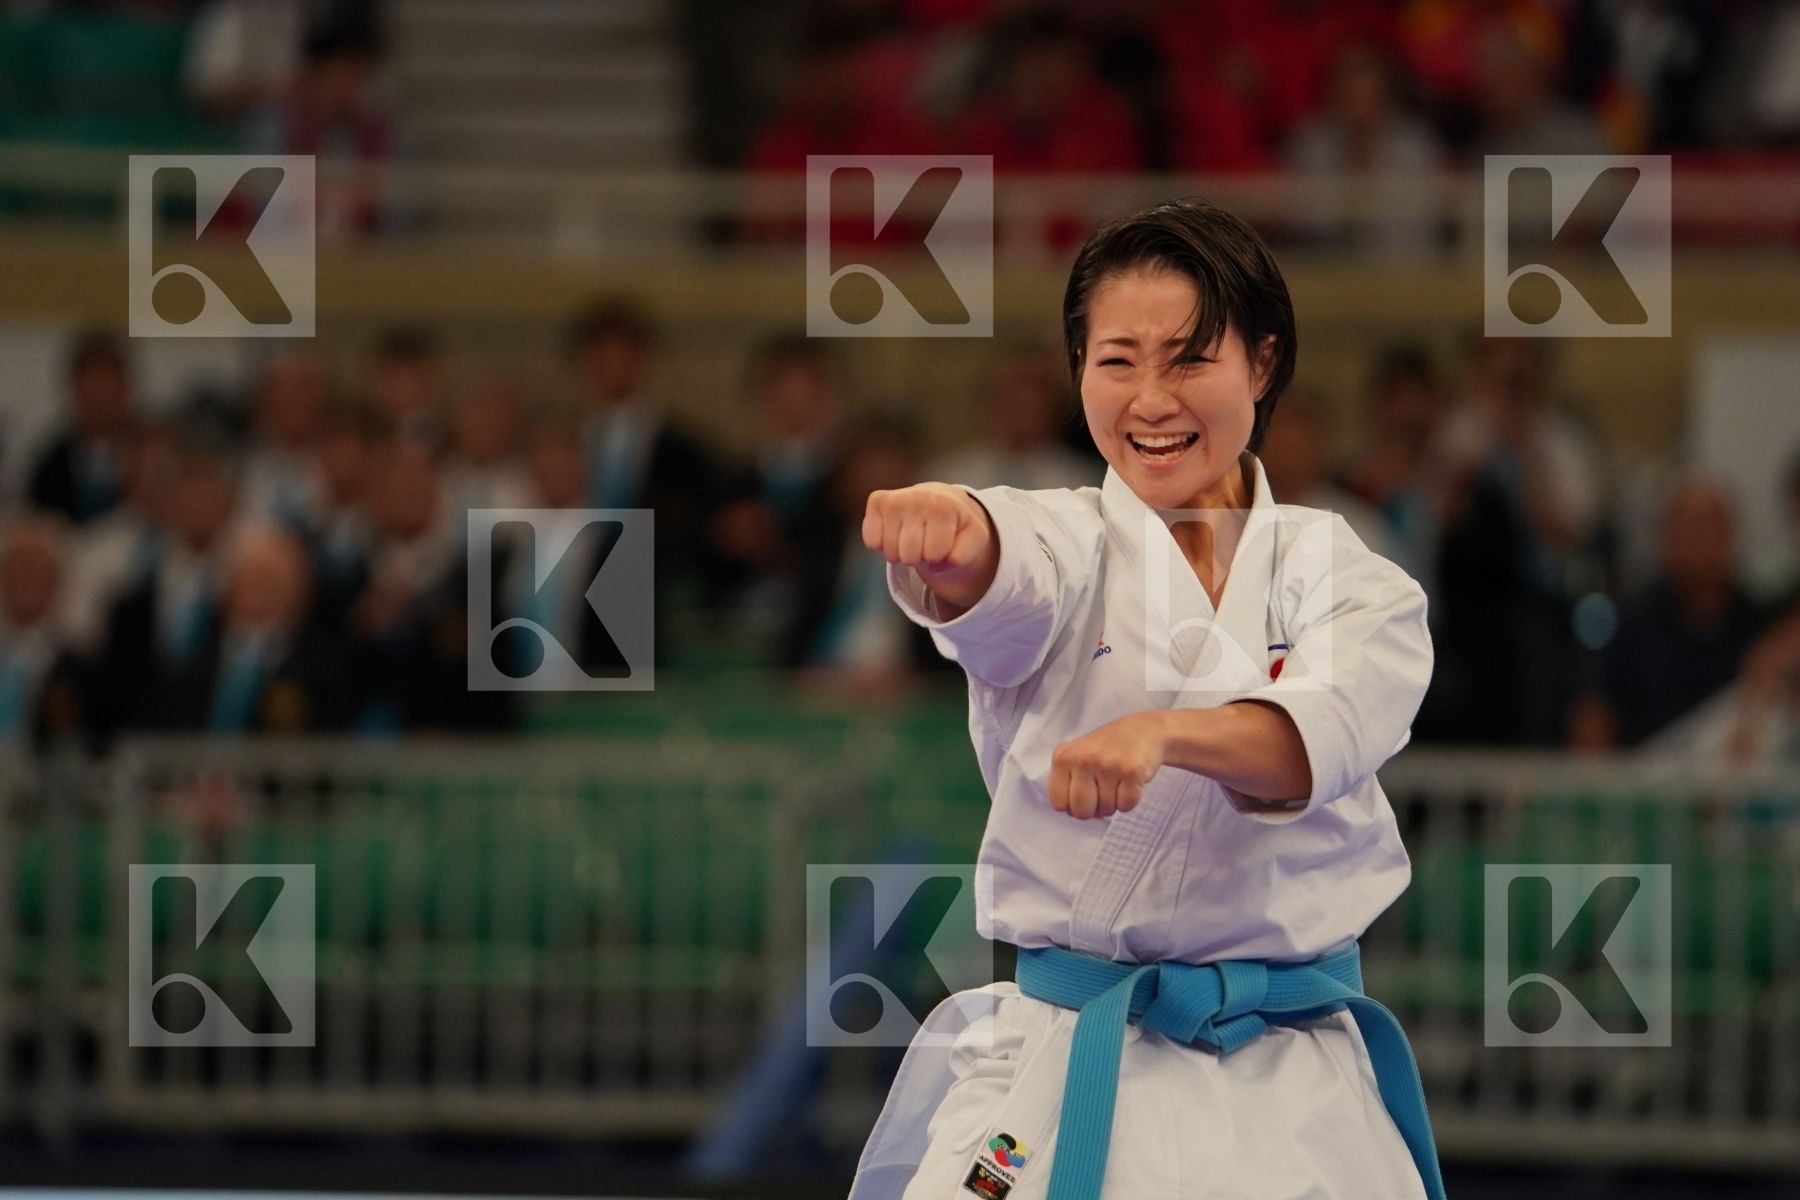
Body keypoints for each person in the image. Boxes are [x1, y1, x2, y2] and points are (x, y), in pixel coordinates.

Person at [849, 200, 1442, 1200]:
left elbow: (1322, 734)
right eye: (1117, 361)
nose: (1151, 398)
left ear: (1260, 363)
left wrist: (1166, 734)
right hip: (1065, 1054)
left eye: (1187, 359)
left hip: (1292, 1084)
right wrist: (956, 528)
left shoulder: (1351, 576)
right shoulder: (1067, 540)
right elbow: (1008, 567)